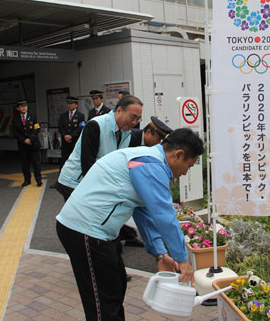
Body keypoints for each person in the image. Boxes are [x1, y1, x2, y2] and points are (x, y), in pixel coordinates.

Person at [56, 128, 204, 321]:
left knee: (116, 284)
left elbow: (144, 211)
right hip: (86, 231)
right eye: (189, 166)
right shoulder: (151, 164)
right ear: (178, 154)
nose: (185, 173)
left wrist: (160, 253)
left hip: (93, 231)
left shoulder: (146, 158)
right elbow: (164, 216)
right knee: (103, 300)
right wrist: (183, 261)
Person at [56, 95, 143, 201]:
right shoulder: (96, 125)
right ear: (119, 110)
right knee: (79, 216)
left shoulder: (126, 132)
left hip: (96, 182)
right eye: (132, 117)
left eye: (138, 119)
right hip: (75, 181)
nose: (134, 122)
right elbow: (87, 164)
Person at [11, 100, 43, 187]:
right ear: (18, 108)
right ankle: (27, 180)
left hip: (33, 144)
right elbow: (15, 132)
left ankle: (38, 180)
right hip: (23, 145)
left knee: (36, 163)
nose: (24, 108)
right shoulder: (15, 119)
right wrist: (24, 140)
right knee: (25, 163)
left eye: (25, 106)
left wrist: (30, 139)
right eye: (21, 106)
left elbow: (37, 128)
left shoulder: (33, 116)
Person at [57, 96, 85, 167]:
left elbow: (80, 127)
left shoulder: (81, 115)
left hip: (74, 142)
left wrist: (71, 136)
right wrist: (65, 135)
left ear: (76, 105)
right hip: (65, 143)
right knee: (64, 161)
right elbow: (60, 127)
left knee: (75, 162)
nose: (69, 105)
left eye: (71, 103)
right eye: (68, 103)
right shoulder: (63, 115)